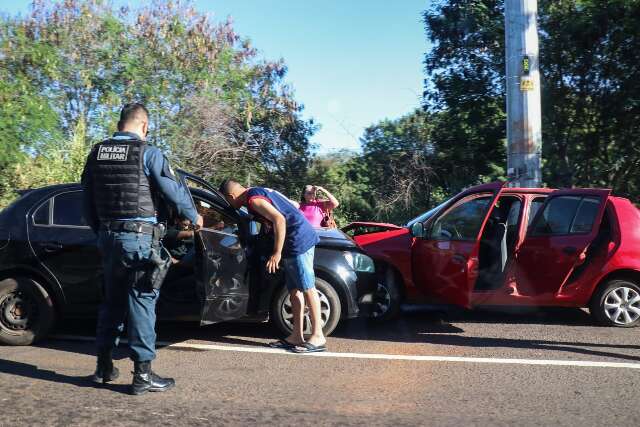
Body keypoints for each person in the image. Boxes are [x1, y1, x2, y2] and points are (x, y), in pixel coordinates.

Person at [81, 103, 203, 395]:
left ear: (121, 123)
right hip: (138, 240)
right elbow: (173, 191)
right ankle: (143, 376)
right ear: (144, 126)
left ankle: (103, 367)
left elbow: (87, 200)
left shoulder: (96, 154)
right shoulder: (148, 153)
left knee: (112, 302)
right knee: (142, 302)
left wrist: (101, 232)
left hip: (108, 239)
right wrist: (194, 215)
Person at [219, 179, 327, 353]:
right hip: (293, 241)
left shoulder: (253, 200)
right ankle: (296, 336)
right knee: (294, 290)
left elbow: (279, 219)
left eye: (227, 201)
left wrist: (276, 253)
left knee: (308, 287)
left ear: (231, 196)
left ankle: (318, 336)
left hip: (298, 240)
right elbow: (290, 204)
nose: (230, 204)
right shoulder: (257, 191)